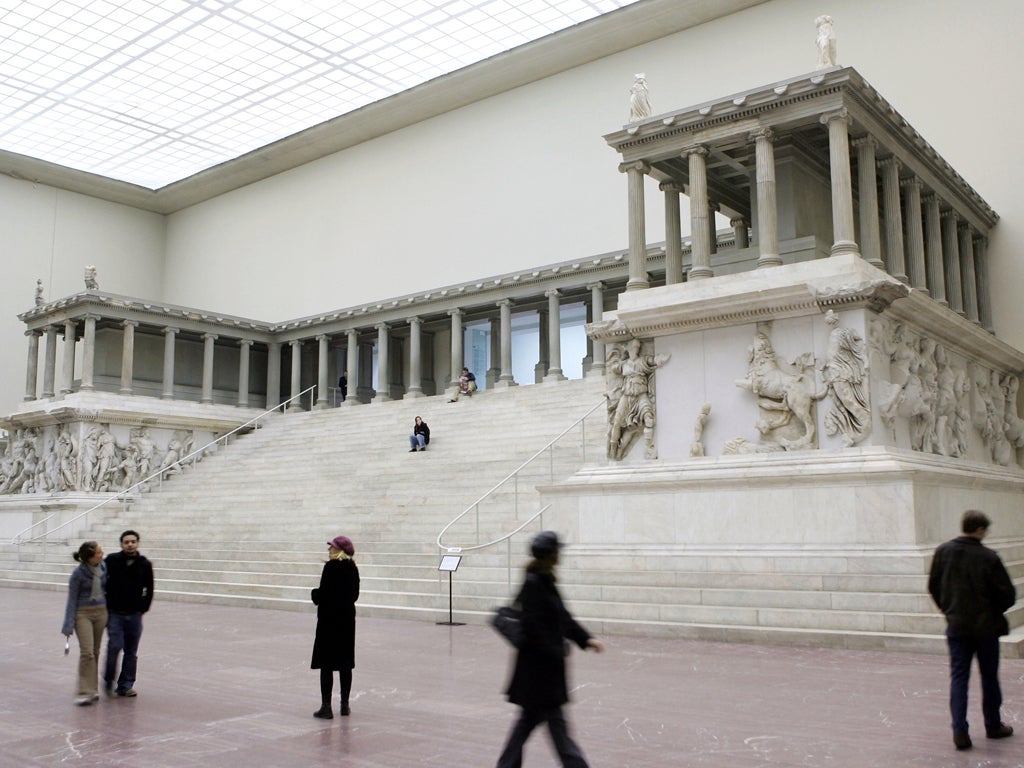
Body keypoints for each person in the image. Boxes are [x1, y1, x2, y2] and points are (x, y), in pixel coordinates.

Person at [496, 531, 604, 768]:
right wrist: (558, 648)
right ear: (551, 555)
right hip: (540, 672)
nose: (561, 555)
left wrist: (585, 639)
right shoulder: (535, 584)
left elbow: (562, 618)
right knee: (554, 727)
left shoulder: (544, 580)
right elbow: (534, 628)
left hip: (541, 672)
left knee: (531, 723)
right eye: (558, 551)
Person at [928, 509, 1017, 751]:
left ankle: (959, 730)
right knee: (989, 678)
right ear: (979, 530)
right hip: (986, 628)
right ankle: (992, 724)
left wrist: (949, 610)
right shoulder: (989, 557)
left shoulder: (943, 552)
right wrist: (993, 610)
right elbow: (1008, 595)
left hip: (957, 626)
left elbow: (933, 585)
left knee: (959, 677)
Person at [311, 535, 360, 719]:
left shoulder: (330, 568)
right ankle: (345, 705)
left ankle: (326, 707)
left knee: (327, 665)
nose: (329, 550)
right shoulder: (353, 569)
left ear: (338, 550)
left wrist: (314, 594)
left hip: (329, 622)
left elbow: (323, 594)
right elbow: (354, 595)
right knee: (345, 665)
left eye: (332, 547)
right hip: (346, 622)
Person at [103, 529, 154, 698]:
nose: (130, 544)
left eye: (133, 541)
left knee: (131, 651)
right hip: (115, 613)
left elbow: (149, 589)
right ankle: (108, 680)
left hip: (134, 614)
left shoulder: (144, 564)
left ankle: (125, 685)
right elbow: (102, 582)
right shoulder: (111, 561)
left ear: (137, 543)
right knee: (115, 646)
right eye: (126, 542)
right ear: (121, 544)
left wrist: (142, 608)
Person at [61, 541, 107, 706]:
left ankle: (93, 689)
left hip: (101, 612)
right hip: (83, 614)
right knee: (87, 652)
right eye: (98, 553)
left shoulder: (103, 568)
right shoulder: (78, 574)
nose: (102, 555)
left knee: (95, 651)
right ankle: (84, 691)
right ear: (89, 558)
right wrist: (68, 624)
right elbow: (72, 600)